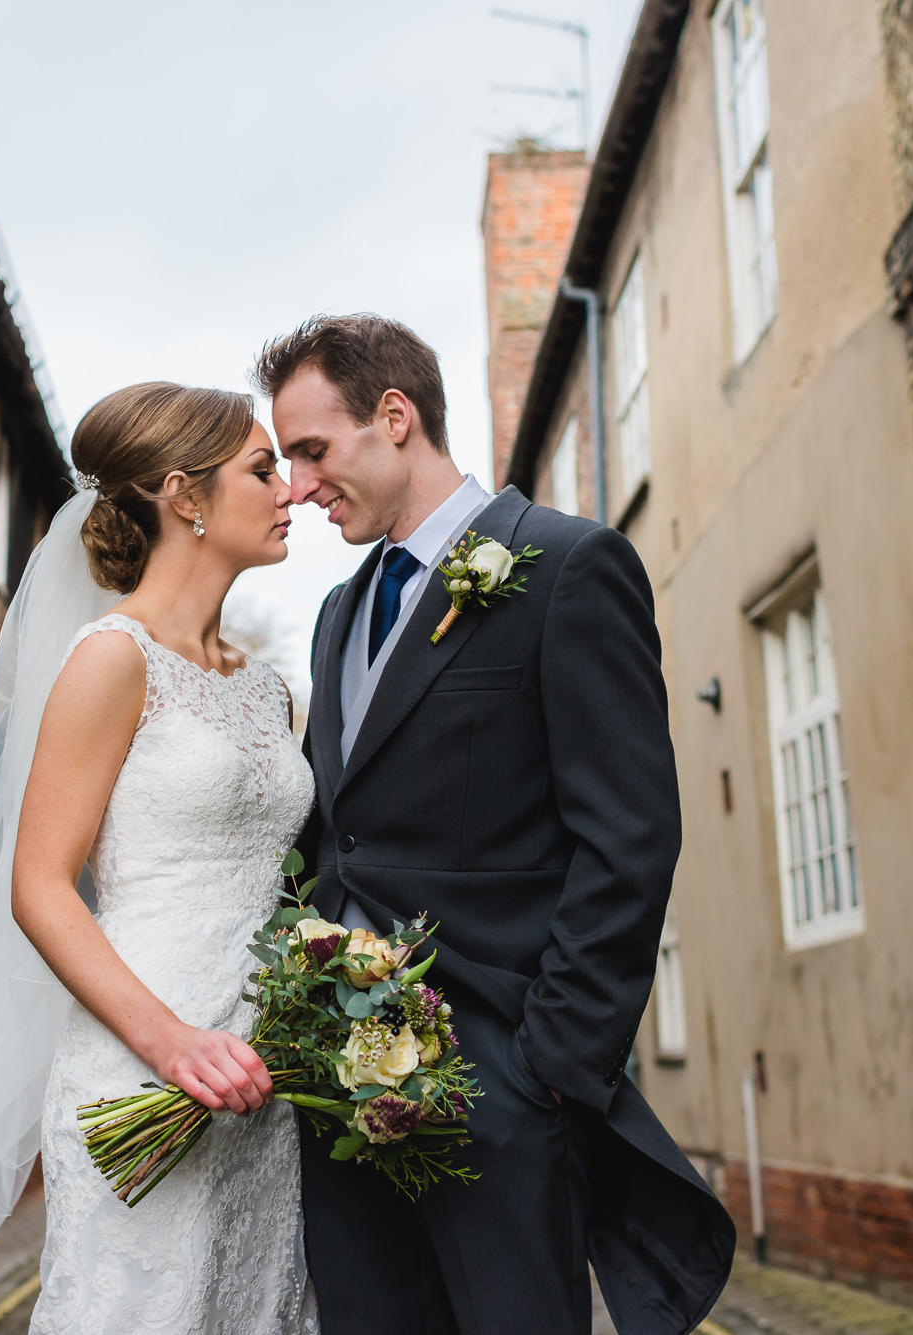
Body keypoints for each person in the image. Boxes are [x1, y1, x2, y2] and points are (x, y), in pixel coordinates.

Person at [255, 314, 737, 1334]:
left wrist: (549, 1069)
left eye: (310, 451)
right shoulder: (339, 613)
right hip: (346, 1107)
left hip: (503, 1098)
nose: (296, 485)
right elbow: (334, 841)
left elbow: (628, 839)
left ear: (394, 417)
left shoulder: (568, 568)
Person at [0, 382, 317, 1332]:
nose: (289, 488)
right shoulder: (111, 659)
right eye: (263, 468)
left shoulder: (270, 693)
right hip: (148, 1068)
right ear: (185, 495)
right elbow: (39, 885)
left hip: (263, 1078)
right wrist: (173, 1043)